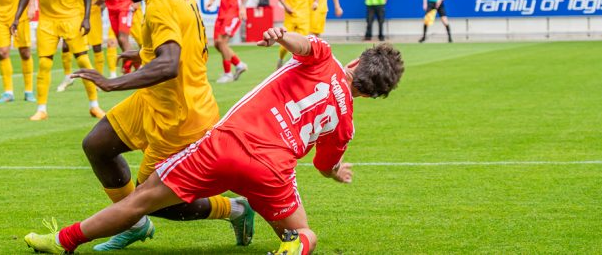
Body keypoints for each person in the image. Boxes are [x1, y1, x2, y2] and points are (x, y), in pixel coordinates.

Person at [23, 28, 405, 255]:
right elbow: (323, 165)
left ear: (357, 60)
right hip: (272, 173)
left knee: (141, 199)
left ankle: (62, 241)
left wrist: (278, 36)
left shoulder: (325, 58)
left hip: (224, 146)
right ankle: (296, 247)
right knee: (303, 232)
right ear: (372, 95)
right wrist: (336, 172)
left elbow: (303, 44)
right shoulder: (345, 123)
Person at [27, 0, 252, 253]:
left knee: (153, 201)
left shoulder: (161, 2)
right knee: (97, 145)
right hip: (153, 100)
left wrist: (111, 82)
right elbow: (177, 46)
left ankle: (237, 209)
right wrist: (143, 53)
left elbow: (170, 63)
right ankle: (135, 225)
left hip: (180, 116)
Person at [11, 0, 104, 121]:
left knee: (84, 63)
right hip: (47, 22)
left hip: (71, 19)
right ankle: (41, 109)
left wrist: (86, 18)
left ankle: (94, 106)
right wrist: (16, 17)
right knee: (44, 64)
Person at [57, 0, 107, 93]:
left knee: (97, 47)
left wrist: (101, 3)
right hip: (75, 13)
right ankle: (68, 76)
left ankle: (98, 79)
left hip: (93, 13)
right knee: (66, 44)